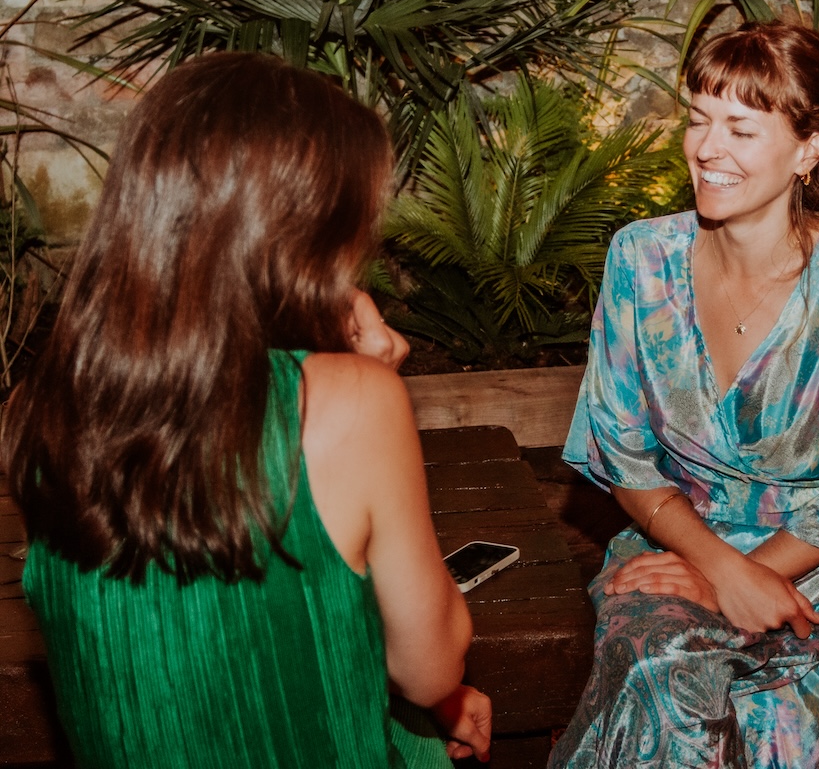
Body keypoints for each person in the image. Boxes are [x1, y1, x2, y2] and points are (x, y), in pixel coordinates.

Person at [2, 53, 491, 768]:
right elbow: (431, 664)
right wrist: (366, 380)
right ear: (294, 240)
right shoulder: (351, 403)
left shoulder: (42, 407)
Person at [550, 22, 819, 769]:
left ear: (809, 148)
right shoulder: (641, 259)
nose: (706, 147)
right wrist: (714, 566)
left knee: (774, 717)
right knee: (662, 669)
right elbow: (623, 452)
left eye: (740, 127)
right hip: (672, 543)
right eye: (697, 118)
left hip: (809, 563)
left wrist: (745, 572)